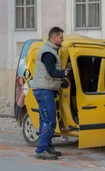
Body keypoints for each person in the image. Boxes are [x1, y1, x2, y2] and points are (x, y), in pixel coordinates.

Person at [31, 27, 71, 160]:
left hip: (45, 89)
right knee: (49, 121)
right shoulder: (48, 53)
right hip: (44, 90)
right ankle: (42, 149)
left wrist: (62, 81)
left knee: (45, 119)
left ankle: (46, 146)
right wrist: (64, 73)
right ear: (54, 38)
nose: (62, 39)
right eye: (61, 37)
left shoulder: (50, 50)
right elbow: (52, 72)